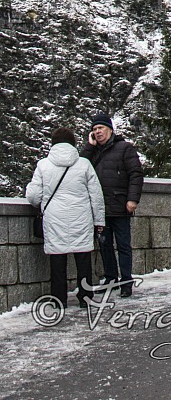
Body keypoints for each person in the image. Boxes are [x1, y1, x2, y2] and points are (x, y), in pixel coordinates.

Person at [28, 126, 106, 308]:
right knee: (83, 259)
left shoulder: (43, 165)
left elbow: (33, 196)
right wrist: (99, 221)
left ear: (53, 144)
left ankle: (59, 299)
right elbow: (96, 196)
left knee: (57, 259)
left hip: (55, 219)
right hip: (82, 219)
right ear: (73, 144)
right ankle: (85, 297)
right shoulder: (84, 164)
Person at [82, 114, 144, 294]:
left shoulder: (125, 148)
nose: (97, 132)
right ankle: (111, 278)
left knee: (123, 245)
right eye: (94, 130)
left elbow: (135, 174)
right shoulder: (92, 152)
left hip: (120, 205)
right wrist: (89, 146)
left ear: (110, 129)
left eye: (100, 128)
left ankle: (126, 282)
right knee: (104, 245)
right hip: (100, 209)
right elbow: (79, 167)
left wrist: (132, 199)